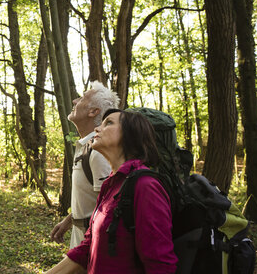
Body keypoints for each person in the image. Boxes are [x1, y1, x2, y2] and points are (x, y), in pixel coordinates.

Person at [45, 109, 177, 274]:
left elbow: (160, 265)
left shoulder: (145, 187)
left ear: (130, 135)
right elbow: (87, 248)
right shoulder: (110, 184)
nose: (97, 129)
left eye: (109, 123)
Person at [50, 81, 120, 249]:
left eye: (82, 98)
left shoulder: (99, 151)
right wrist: (69, 221)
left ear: (93, 111)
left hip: (93, 248)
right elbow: (93, 199)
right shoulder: (86, 146)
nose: (74, 101)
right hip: (81, 241)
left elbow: (109, 209)